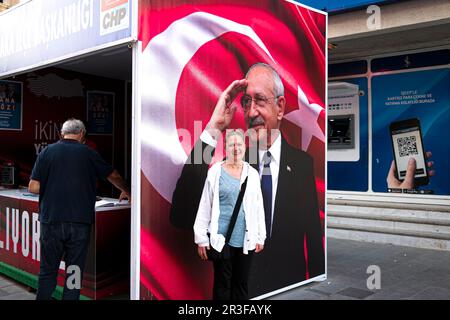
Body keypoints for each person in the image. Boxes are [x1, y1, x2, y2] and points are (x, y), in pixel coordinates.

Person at [171, 63, 325, 297]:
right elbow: (181, 213)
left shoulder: (303, 165)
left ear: (280, 107)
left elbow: (313, 239)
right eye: (246, 102)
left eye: (260, 100)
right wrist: (214, 128)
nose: (251, 113)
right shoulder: (233, 163)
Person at [28, 118, 130, 300]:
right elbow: (112, 175)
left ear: (61, 133)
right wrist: (127, 190)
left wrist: (54, 186)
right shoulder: (89, 153)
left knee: (48, 270)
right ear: (82, 134)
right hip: (79, 223)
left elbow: (33, 187)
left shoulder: (47, 152)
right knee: (73, 271)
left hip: (51, 221)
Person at [194, 130, 266, 300]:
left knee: (241, 283)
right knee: (222, 284)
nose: (236, 148)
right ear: (225, 147)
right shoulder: (215, 172)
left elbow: (258, 208)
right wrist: (201, 239)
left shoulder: (253, 175)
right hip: (221, 239)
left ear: (244, 147)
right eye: (232, 144)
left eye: (239, 144)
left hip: (245, 239)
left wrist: (260, 236)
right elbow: (205, 204)